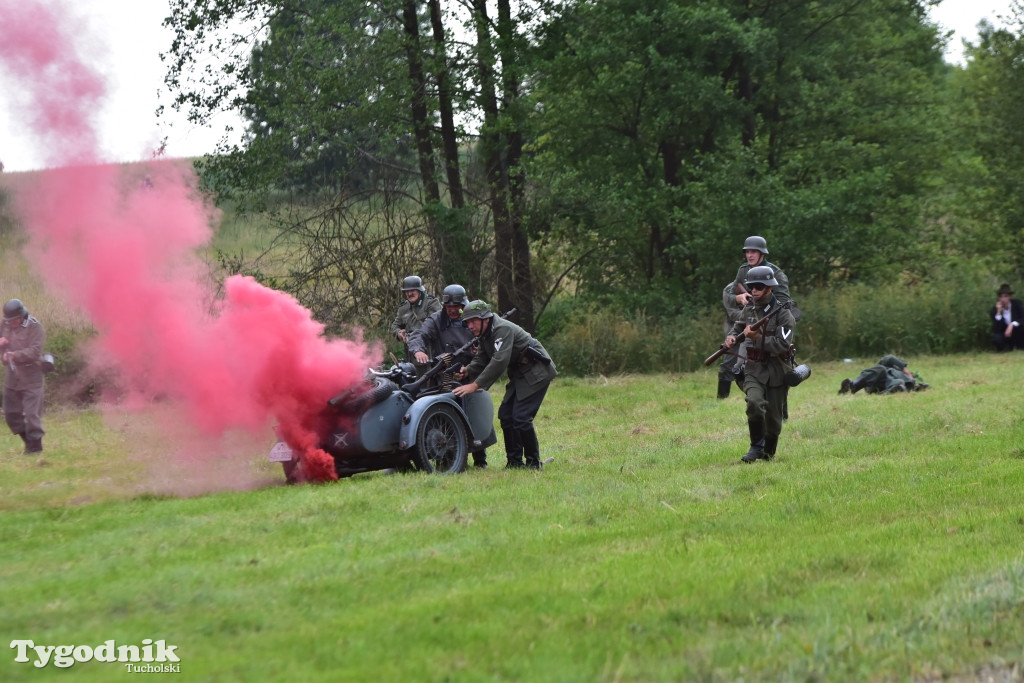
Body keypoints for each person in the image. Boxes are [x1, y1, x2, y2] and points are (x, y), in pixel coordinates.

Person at [453, 301, 557, 470]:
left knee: (521, 417)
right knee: (506, 416)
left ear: (485, 319)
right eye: (467, 322)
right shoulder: (485, 333)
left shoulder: (502, 329)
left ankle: (533, 463)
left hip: (537, 371)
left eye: (473, 321)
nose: (470, 326)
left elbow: (499, 361)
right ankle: (514, 463)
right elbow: (482, 358)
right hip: (520, 373)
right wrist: (468, 371)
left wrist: (475, 385)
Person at [408, 284, 495, 468]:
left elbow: (490, 339)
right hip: (444, 377)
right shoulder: (436, 319)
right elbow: (419, 335)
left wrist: (474, 356)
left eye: (457, 307)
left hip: (471, 370)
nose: (453, 311)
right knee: (442, 413)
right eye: (449, 307)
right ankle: (447, 457)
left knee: (475, 411)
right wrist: (418, 351)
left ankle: (480, 459)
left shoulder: (474, 315)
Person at [723, 266, 797, 463]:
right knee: (754, 403)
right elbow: (739, 326)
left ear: (769, 288)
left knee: (773, 421)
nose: (753, 290)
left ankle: (768, 452)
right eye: (751, 286)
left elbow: (782, 344)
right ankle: (756, 447)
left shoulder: (783, 314)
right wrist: (731, 338)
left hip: (777, 369)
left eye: (758, 286)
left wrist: (756, 338)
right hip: (754, 368)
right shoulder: (749, 308)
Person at [0, 299, 46, 454]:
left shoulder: (34, 327)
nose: (10, 323)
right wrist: (2, 349)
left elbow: (35, 352)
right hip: (12, 378)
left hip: (31, 377)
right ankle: (28, 442)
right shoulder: (4, 324)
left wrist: (14, 355)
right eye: (8, 320)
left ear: (21, 316)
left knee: (32, 415)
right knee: (11, 414)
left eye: (13, 320)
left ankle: (36, 447)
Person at [389, 275, 440, 359]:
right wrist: (399, 333)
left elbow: (436, 324)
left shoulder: (431, 303)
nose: (409, 293)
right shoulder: (403, 308)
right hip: (411, 353)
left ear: (419, 290)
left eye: (412, 290)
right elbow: (394, 326)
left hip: (432, 351)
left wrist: (417, 334)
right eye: (407, 291)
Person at [838, 355, 928, 395]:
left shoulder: (907, 381)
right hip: (874, 381)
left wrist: (916, 385)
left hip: (888, 386)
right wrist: (906, 371)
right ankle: (853, 386)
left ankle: (889, 392)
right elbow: (888, 358)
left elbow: (916, 387)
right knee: (881, 369)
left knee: (899, 383)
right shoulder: (889, 366)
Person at [717, 281, 745, 399]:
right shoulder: (729, 290)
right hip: (734, 328)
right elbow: (733, 314)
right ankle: (722, 399)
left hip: (759, 327)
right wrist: (753, 313)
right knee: (729, 363)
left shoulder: (763, 285)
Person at [990, 284, 1024, 352]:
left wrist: (1012, 324)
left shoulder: (1017, 304)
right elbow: (996, 329)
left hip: (1017, 331)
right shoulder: (995, 310)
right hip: (1005, 333)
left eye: (1005, 296)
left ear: (1009, 297)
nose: (1003, 299)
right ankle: (1004, 349)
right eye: (1001, 297)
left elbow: (1022, 318)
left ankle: (1020, 347)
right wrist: (999, 313)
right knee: (996, 337)